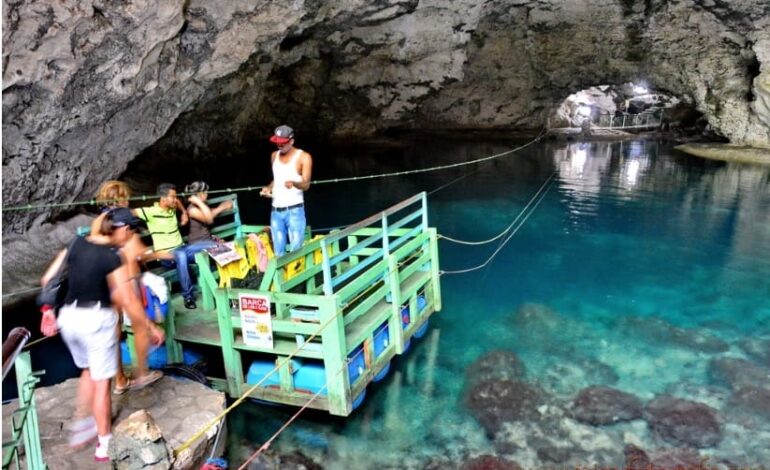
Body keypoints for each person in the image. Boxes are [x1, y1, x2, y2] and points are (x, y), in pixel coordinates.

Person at [40, 208, 148, 462]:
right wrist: (147, 325)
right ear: (123, 229)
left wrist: (47, 310)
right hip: (96, 321)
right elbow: (125, 298)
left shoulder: (77, 242)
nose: (131, 236)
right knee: (102, 385)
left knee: (88, 371)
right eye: (131, 231)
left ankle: (82, 427)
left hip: (68, 318)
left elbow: (48, 278)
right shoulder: (113, 256)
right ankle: (104, 442)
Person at [90, 181, 164, 395]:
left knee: (114, 331)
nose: (127, 202)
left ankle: (120, 379)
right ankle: (141, 374)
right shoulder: (122, 221)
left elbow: (94, 245)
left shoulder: (99, 221)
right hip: (124, 279)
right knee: (140, 325)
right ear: (120, 198)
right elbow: (134, 253)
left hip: (104, 281)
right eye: (126, 198)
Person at [135, 183, 206, 310]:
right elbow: (131, 213)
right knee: (181, 256)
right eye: (172, 197)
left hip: (182, 248)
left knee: (208, 246)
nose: (175, 199)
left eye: (175, 196)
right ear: (163, 198)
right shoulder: (150, 212)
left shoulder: (172, 207)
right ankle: (188, 297)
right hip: (166, 256)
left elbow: (177, 202)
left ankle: (217, 284)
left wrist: (184, 212)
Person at [260, 125, 313, 256]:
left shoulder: (304, 157)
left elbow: (306, 185)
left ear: (292, 141)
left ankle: (297, 269)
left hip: (295, 211)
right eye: (277, 142)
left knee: (296, 251)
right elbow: (276, 180)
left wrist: (294, 183)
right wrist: (268, 188)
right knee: (278, 252)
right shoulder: (274, 155)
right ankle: (282, 270)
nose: (279, 145)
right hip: (276, 212)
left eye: (283, 142)